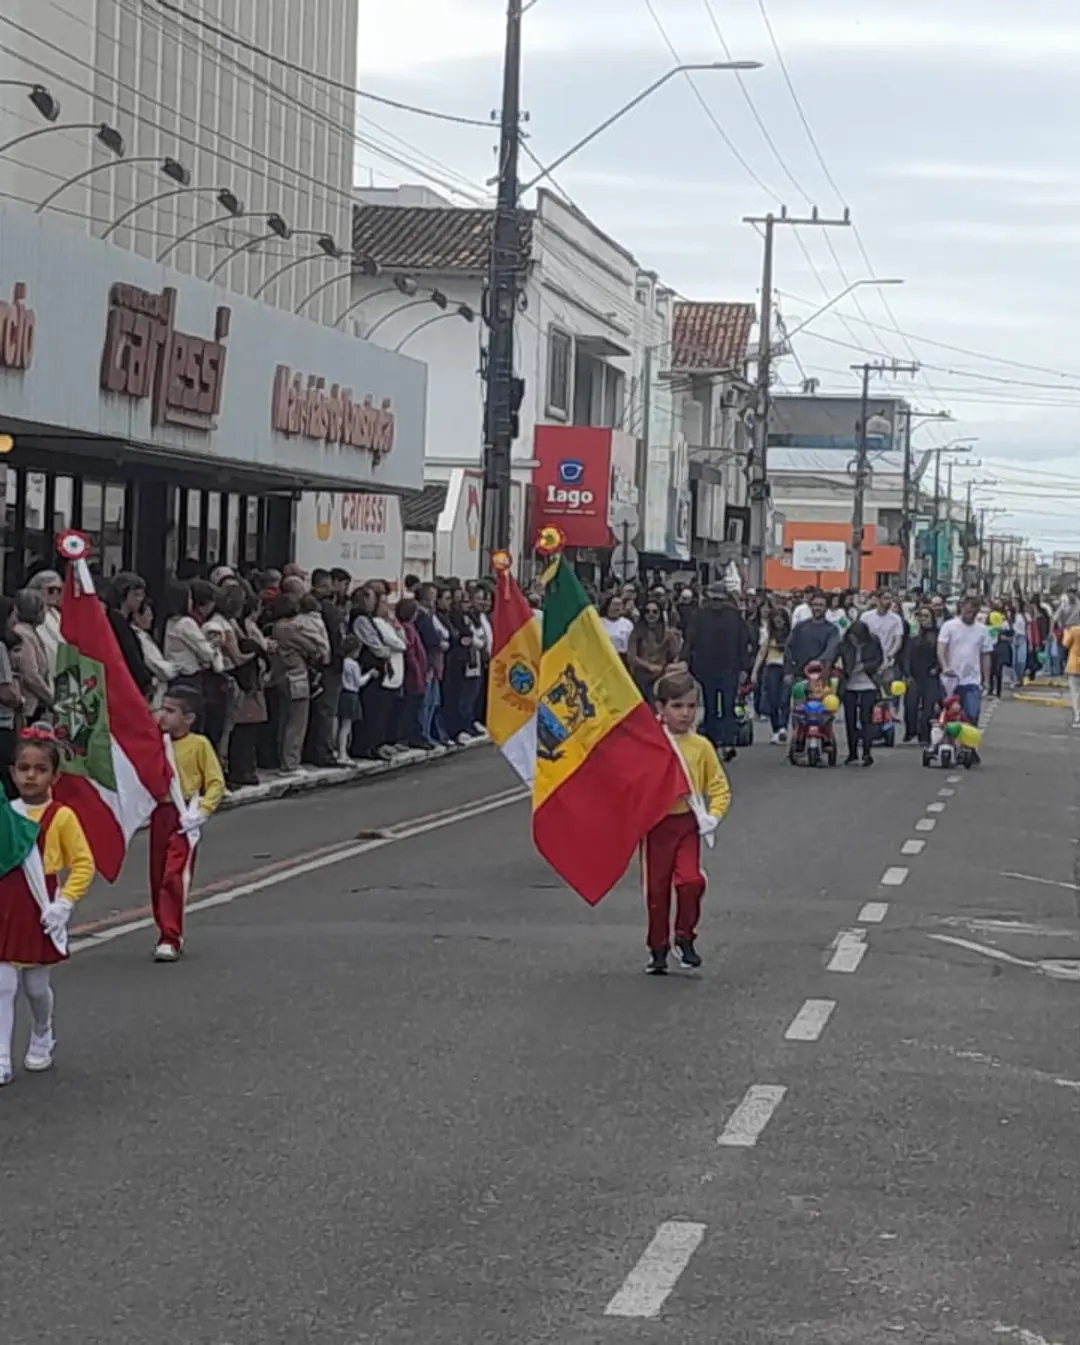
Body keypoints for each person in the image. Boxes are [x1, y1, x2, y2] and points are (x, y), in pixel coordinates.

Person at [0, 726, 95, 1083]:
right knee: (3, 984)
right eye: (23, 768)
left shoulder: (62, 816)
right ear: (12, 772)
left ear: (55, 775)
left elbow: (84, 862)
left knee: (36, 987)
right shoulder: (5, 813)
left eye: (40, 769)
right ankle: (2, 1056)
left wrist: (65, 903)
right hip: (6, 903)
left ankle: (43, 1031)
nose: (30, 775)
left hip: (41, 904)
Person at [643, 672, 732, 976]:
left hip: (687, 824)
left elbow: (719, 786)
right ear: (661, 708)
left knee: (690, 881)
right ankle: (658, 948)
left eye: (691, 706)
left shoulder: (701, 747)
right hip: (656, 827)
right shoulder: (650, 743)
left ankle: (685, 936)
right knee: (656, 891)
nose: (685, 713)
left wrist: (714, 815)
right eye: (677, 706)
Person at [150, 686, 225, 962]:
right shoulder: (156, 742)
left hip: (184, 815)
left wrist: (203, 811)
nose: (163, 715)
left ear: (189, 717)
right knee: (157, 875)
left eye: (171, 711)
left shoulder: (199, 744)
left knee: (173, 874)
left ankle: (170, 935)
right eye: (162, 708)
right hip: (161, 814)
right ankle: (164, 926)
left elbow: (216, 782)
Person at [683, 583, 754, 762]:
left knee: (723, 706)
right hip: (712, 668)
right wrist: (687, 664)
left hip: (724, 667)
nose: (716, 603)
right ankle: (717, 743)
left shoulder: (729, 616)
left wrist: (744, 667)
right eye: (714, 599)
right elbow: (689, 641)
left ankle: (724, 742)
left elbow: (743, 642)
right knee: (715, 706)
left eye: (718, 599)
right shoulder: (702, 615)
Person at [937, 596, 993, 729]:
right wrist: (945, 667)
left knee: (972, 714)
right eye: (967, 611)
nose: (970, 615)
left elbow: (986, 655)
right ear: (961, 608)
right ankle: (948, 742)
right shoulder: (949, 626)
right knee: (950, 715)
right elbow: (941, 649)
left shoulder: (982, 630)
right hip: (951, 679)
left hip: (972, 680)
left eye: (973, 612)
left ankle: (969, 745)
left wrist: (986, 680)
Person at [838, 619, 884, 766]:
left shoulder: (873, 642)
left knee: (866, 718)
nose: (854, 641)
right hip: (849, 685)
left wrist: (865, 666)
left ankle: (866, 752)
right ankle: (852, 752)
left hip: (868, 684)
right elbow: (838, 660)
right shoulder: (844, 645)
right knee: (850, 719)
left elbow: (878, 659)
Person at [104, 572, 153, 698]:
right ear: (123, 594)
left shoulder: (124, 622)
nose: (140, 599)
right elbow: (130, 655)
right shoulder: (117, 622)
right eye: (136, 594)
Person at [627, 600, 682, 703]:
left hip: (661, 677)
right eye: (647, 611)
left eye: (655, 612)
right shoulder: (636, 632)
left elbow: (676, 654)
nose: (651, 614)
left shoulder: (668, 633)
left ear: (660, 614)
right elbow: (631, 657)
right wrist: (649, 666)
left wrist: (669, 669)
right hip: (640, 677)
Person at [751, 605, 791, 744]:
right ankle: (775, 729)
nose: (778, 623)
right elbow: (762, 653)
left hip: (786, 668)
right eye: (776, 620)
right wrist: (755, 672)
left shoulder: (791, 636)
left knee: (784, 700)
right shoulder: (769, 635)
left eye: (781, 620)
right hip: (771, 667)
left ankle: (783, 728)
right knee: (773, 700)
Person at [11, 589, 53, 722]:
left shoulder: (31, 632)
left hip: (36, 704)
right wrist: (50, 697)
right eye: (43, 607)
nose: (46, 612)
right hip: (29, 707)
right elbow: (30, 675)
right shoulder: (23, 635)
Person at [902, 605, 941, 744]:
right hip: (914, 675)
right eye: (921, 616)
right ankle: (910, 730)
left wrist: (937, 668)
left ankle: (924, 734)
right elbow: (906, 656)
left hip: (931, 675)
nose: (923, 619)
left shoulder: (938, 635)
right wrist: (907, 674)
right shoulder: (914, 636)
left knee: (928, 707)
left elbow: (942, 654)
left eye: (926, 616)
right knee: (910, 704)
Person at [784, 590, 841, 685]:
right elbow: (788, 647)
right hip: (799, 677)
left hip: (820, 679)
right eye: (814, 605)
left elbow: (831, 650)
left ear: (826, 608)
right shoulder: (800, 626)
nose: (817, 608)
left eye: (820, 605)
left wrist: (817, 663)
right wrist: (788, 671)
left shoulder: (832, 630)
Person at [131, 601, 178, 709]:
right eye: (148, 615)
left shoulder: (144, 635)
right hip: (154, 687)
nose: (151, 618)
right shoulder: (139, 637)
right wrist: (174, 669)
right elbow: (153, 663)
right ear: (136, 616)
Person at [25, 570, 63, 678]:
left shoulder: (57, 614)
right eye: (51, 590)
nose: (55, 594)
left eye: (59, 590)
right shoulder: (32, 615)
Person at [862, 590, 905, 679]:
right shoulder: (866, 617)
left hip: (887, 660)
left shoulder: (896, 619)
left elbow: (898, 640)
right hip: (869, 659)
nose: (888, 601)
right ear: (878, 600)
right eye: (885, 598)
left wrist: (890, 655)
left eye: (890, 599)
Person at [1063, 621, 1080, 729]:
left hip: (1074, 664)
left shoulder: (1075, 630)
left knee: (1075, 693)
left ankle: (1078, 717)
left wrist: (1065, 632)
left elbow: (1065, 644)